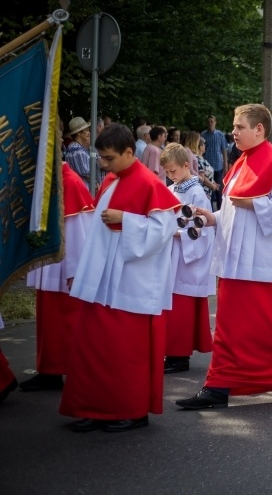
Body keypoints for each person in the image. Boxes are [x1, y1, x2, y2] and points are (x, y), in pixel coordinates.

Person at [176, 104, 272, 410]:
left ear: (259, 129)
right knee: (229, 325)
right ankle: (218, 386)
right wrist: (211, 217)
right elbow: (236, 208)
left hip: (268, 264)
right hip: (236, 261)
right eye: (234, 127)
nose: (233, 132)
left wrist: (253, 205)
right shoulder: (241, 163)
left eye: (239, 127)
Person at [61, 124, 181, 432]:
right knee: (94, 347)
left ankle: (131, 410)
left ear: (130, 152)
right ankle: (94, 407)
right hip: (102, 279)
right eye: (101, 158)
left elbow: (163, 230)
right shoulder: (113, 179)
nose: (104, 165)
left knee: (125, 351)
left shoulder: (149, 183)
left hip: (130, 282)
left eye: (109, 158)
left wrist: (125, 219)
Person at [20, 163, 94, 391]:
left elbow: (77, 231)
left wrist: (74, 270)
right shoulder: (52, 181)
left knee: (64, 322)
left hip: (62, 267)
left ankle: (68, 371)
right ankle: (49, 371)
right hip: (51, 263)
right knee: (48, 322)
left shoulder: (69, 183)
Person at [159, 144, 215, 374]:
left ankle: (179, 357)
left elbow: (202, 228)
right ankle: (172, 353)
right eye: (167, 172)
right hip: (173, 254)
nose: (170, 176)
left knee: (181, 308)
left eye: (173, 171)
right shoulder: (173, 188)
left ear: (185, 165)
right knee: (172, 307)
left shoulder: (196, 193)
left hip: (186, 257)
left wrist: (178, 234)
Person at [201, 115, 228, 208]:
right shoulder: (203, 135)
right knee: (210, 190)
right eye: (208, 122)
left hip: (218, 166)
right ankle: (211, 210)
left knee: (219, 191)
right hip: (207, 167)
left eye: (212, 121)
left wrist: (225, 165)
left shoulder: (220, 135)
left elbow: (224, 151)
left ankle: (221, 211)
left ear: (215, 122)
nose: (210, 124)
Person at [185, 132, 219, 200]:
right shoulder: (189, 152)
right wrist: (200, 178)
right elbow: (190, 169)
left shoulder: (190, 152)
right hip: (199, 186)